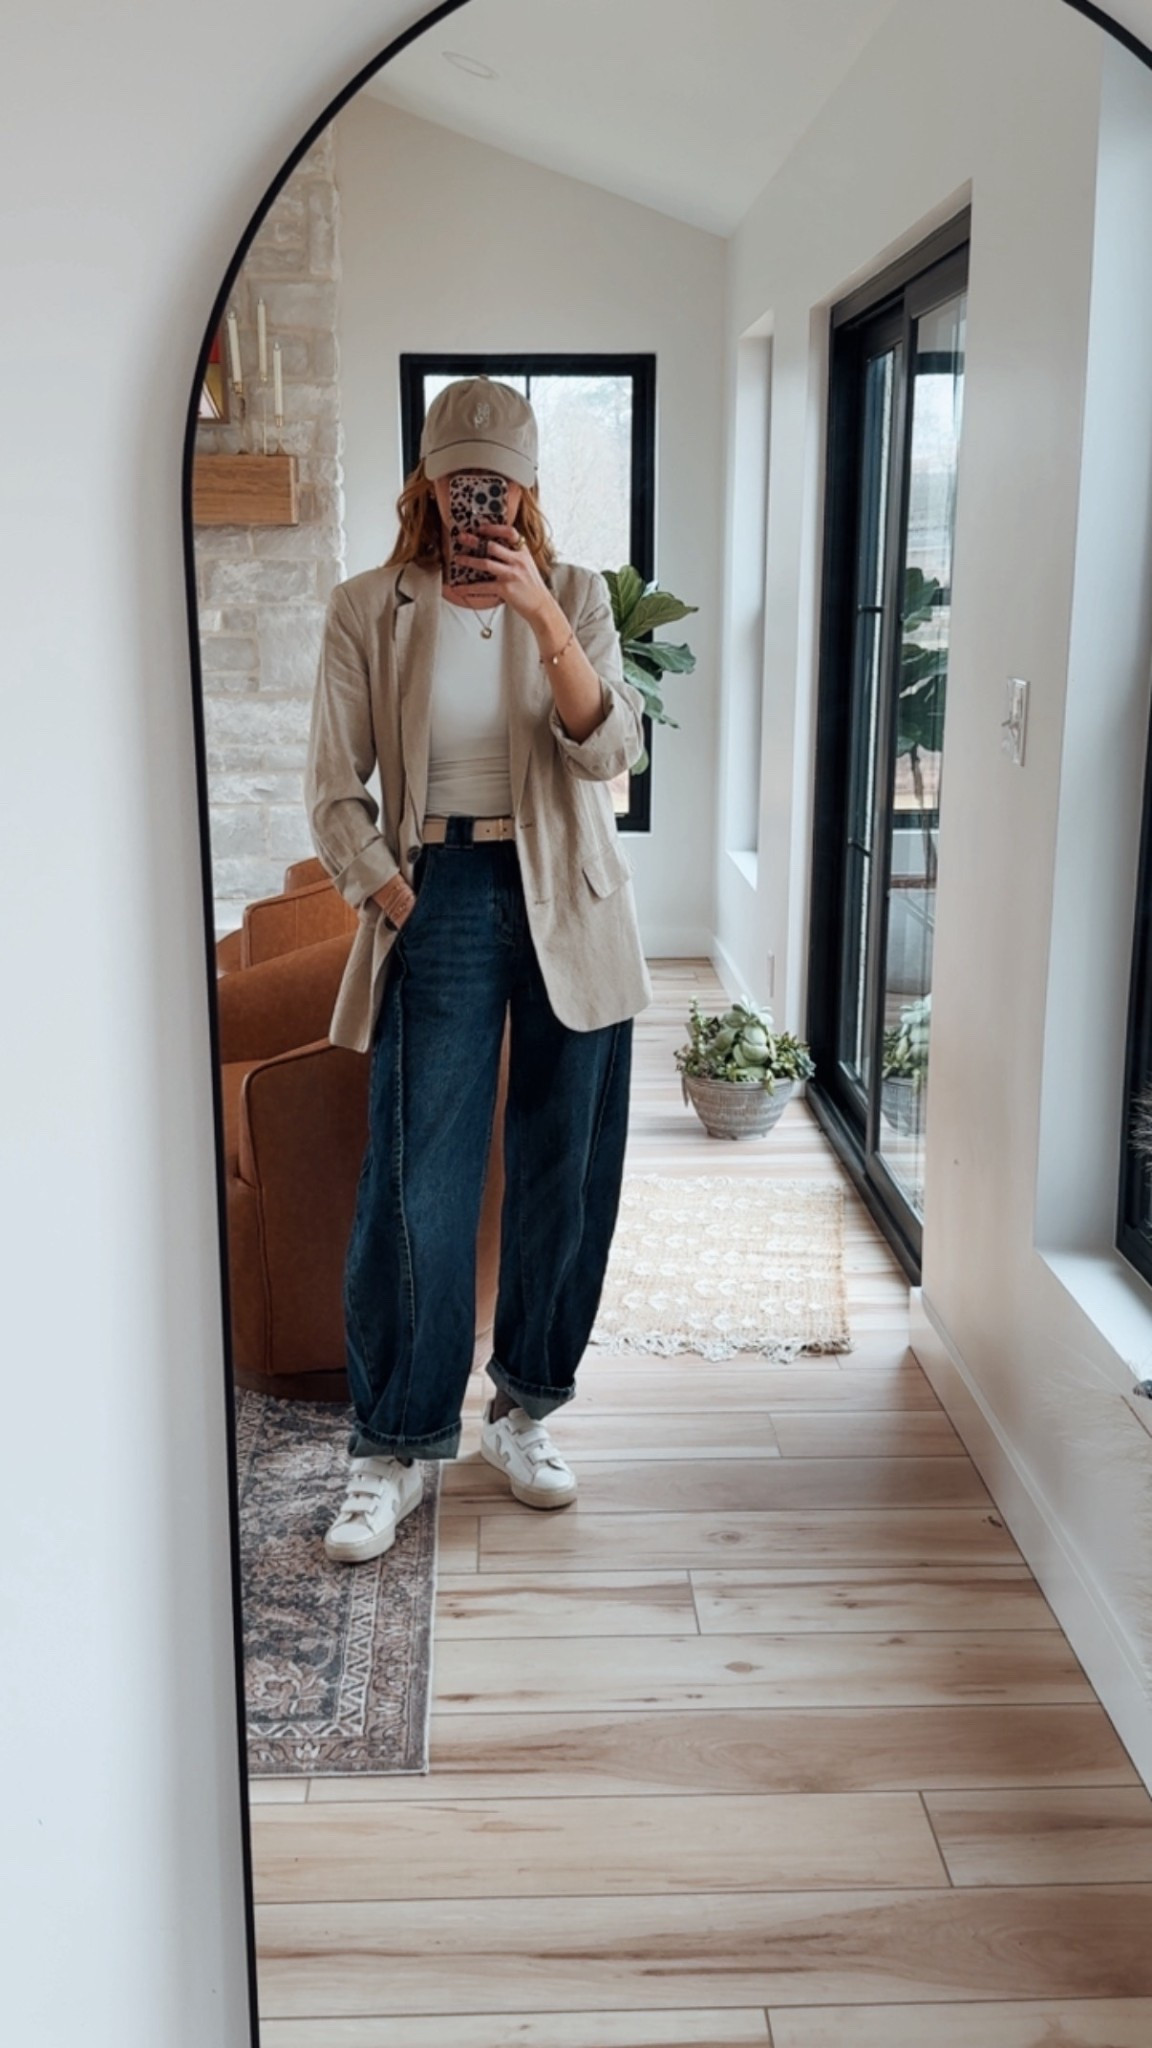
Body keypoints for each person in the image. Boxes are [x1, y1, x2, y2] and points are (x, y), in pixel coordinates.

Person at [303, 376, 653, 1564]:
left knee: (565, 1169)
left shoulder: (579, 595)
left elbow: (610, 749)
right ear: (427, 480)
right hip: (436, 893)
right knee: (419, 1178)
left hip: (570, 894)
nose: (477, 501)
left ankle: (525, 1413)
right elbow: (332, 784)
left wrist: (541, 615)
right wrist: (385, 887)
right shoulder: (369, 607)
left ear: (526, 488)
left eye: (497, 483)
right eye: (459, 479)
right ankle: (394, 1443)